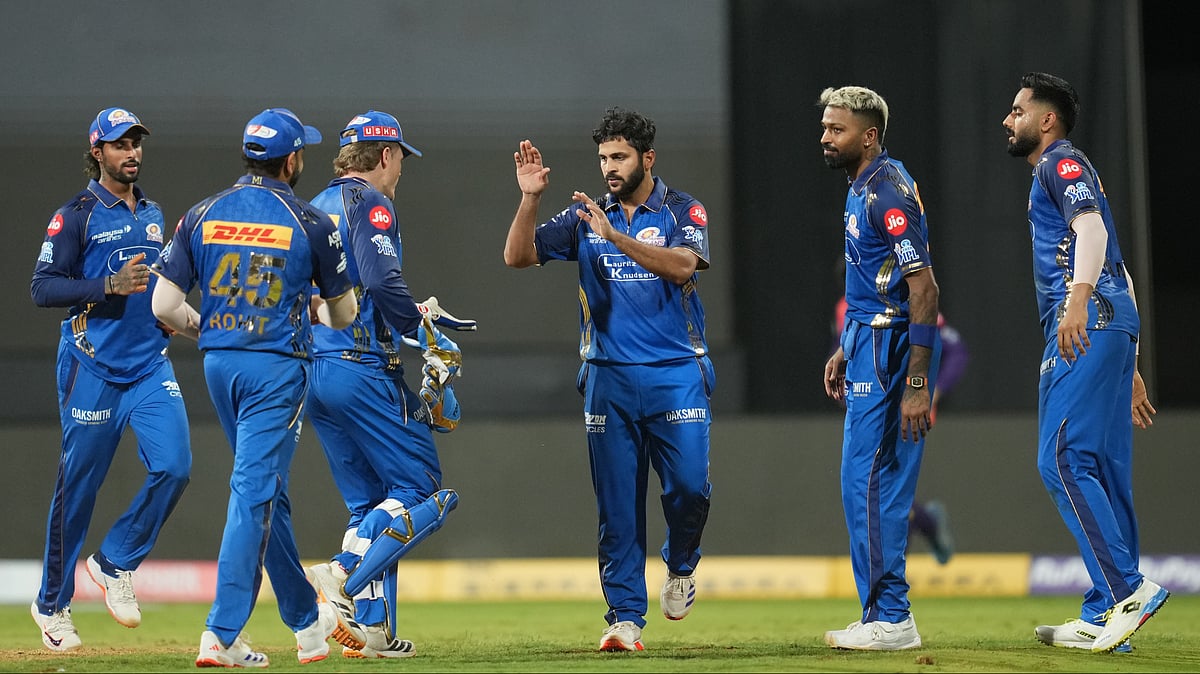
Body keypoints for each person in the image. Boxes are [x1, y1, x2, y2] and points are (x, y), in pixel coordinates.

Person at [151, 108, 358, 667]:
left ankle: (306, 624)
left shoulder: (201, 214)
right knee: (252, 494)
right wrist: (310, 303)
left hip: (219, 366)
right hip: (275, 369)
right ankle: (221, 633)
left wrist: (209, 330)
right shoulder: (312, 220)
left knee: (268, 494)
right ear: (291, 159)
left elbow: (164, 306)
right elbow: (343, 315)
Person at [504, 107, 715, 652]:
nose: (609, 168)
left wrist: (614, 238)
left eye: (619, 157)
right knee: (617, 506)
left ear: (647, 158)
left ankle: (681, 563)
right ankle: (624, 617)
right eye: (603, 158)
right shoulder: (583, 218)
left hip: (675, 375)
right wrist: (530, 199)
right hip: (607, 380)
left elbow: (683, 267)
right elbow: (517, 256)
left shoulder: (682, 209)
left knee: (689, 489)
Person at [1002, 72, 1166, 654]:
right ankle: (1104, 612)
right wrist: (1132, 358)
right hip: (1112, 323)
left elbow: (1091, 230)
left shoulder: (1059, 163)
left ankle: (1126, 591)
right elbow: (1119, 267)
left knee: (1063, 460)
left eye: (1018, 110)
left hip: (1086, 321)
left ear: (1047, 121)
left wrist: (1076, 302)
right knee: (1101, 467)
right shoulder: (1072, 167)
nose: (1008, 119)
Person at [304, 110, 470, 659]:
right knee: (424, 490)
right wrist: (421, 332)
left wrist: (407, 313)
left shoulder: (312, 209)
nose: (401, 169)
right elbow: (379, 278)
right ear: (387, 154)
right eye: (401, 157)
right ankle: (341, 575)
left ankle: (373, 630)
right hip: (362, 366)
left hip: (315, 371)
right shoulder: (370, 202)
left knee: (370, 506)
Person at [29, 107, 193, 652]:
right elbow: (43, 288)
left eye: (137, 143)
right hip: (92, 366)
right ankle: (52, 606)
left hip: (149, 365)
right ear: (97, 152)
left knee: (174, 466)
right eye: (120, 145)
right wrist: (106, 284)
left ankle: (114, 561)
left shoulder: (154, 212)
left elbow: (164, 288)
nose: (133, 153)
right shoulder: (75, 215)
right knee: (78, 490)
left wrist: (186, 323)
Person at [819, 86, 941, 651]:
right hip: (867, 342)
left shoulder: (885, 192)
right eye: (824, 127)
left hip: (890, 351)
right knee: (863, 485)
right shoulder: (861, 187)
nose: (825, 138)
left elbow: (924, 289)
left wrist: (917, 381)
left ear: (868, 136)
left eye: (836, 129)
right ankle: (882, 613)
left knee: (870, 484)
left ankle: (892, 617)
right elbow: (876, 286)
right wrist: (846, 344)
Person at [832, 294, 965, 565]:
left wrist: (930, 390)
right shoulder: (854, 305)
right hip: (871, 409)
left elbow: (956, 352)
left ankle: (887, 583)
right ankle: (924, 524)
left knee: (882, 490)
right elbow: (847, 356)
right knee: (883, 490)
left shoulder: (908, 300)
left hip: (905, 408)